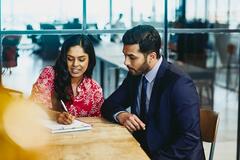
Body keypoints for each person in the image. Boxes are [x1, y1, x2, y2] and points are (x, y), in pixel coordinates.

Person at [101, 25, 205, 160]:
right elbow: (109, 105)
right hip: (141, 151)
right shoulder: (136, 74)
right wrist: (122, 115)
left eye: (132, 57)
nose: (126, 62)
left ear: (152, 56)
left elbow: (189, 140)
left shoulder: (179, 84)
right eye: (125, 55)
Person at [31, 34, 104, 125]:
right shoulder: (49, 74)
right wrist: (56, 116)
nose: (75, 64)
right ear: (64, 58)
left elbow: (97, 123)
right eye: (70, 59)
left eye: (81, 59)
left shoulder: (95, 90)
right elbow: (35, 108)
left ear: (90, 60)